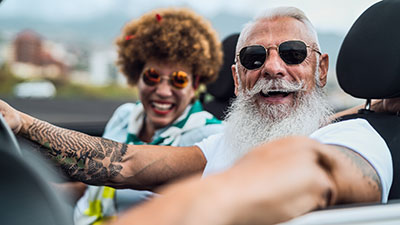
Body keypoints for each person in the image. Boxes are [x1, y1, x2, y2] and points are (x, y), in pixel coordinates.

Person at [0, 6, 395, 224]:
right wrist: (19, 122)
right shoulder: (225, 142)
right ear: (238, 79)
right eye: (255, 58)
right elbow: (130, 163)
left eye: (292, 54)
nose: (273, 69)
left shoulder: (356, 137)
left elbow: (317, 169)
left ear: (320, 70)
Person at [71, 7, 223, 225]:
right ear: (137, 76)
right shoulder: (124, 116)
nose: (162, 91)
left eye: (178, 79)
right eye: (152, 76)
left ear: (195, 85)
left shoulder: (211, 138)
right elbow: (91, 186)